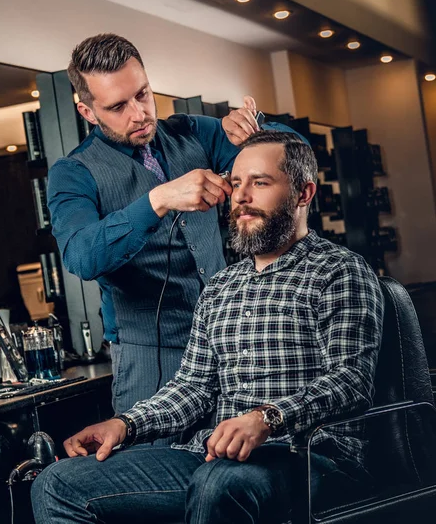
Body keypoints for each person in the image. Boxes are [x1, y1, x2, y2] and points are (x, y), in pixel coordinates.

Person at [32, 131, 385, 524]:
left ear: (304, 194)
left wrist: (265, 419)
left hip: (311, 457)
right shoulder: (221, 286)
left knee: (219, 485)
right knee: (56, 483)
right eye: (236, 183)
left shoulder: (340, 270)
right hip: (215, 458)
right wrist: (124, 424)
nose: (242, 197)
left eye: (260, 183)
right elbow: (194, 388)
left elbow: (351, 381)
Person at [48, 33, 297, 414]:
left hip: (230, 346)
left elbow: (298, 158)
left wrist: (260, 134)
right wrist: (158, 199)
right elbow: (81, 256)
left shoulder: (192, 132)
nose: (140, 113)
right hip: (149, 360)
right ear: (88, 112)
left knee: (232, 466)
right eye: (117, 106)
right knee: (155, 468)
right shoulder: (73, 173)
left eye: (143, 94)